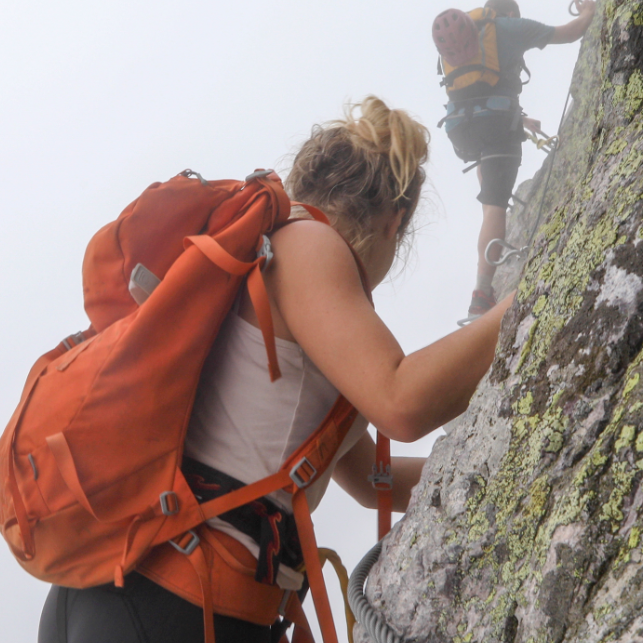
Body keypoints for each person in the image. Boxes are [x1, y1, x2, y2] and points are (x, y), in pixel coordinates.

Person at [38, 96, 513, 643]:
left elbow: (367, 482)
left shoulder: (263, 267)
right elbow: (401, 401)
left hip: (130, 593)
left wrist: (489, 462)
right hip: (181, 600)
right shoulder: (308, 242)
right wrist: (529, 298)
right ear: (395, 222)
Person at [433, 0, 596, 319]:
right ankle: (482, 294)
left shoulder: (456, 46)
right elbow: (571, 32)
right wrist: (589, 11)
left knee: (489, 206)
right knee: (495, 206)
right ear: (509, 13)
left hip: (464, 132)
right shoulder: (508, 27)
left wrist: (520, 119)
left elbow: (477, 92)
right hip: (497, 130)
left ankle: (484, 269)